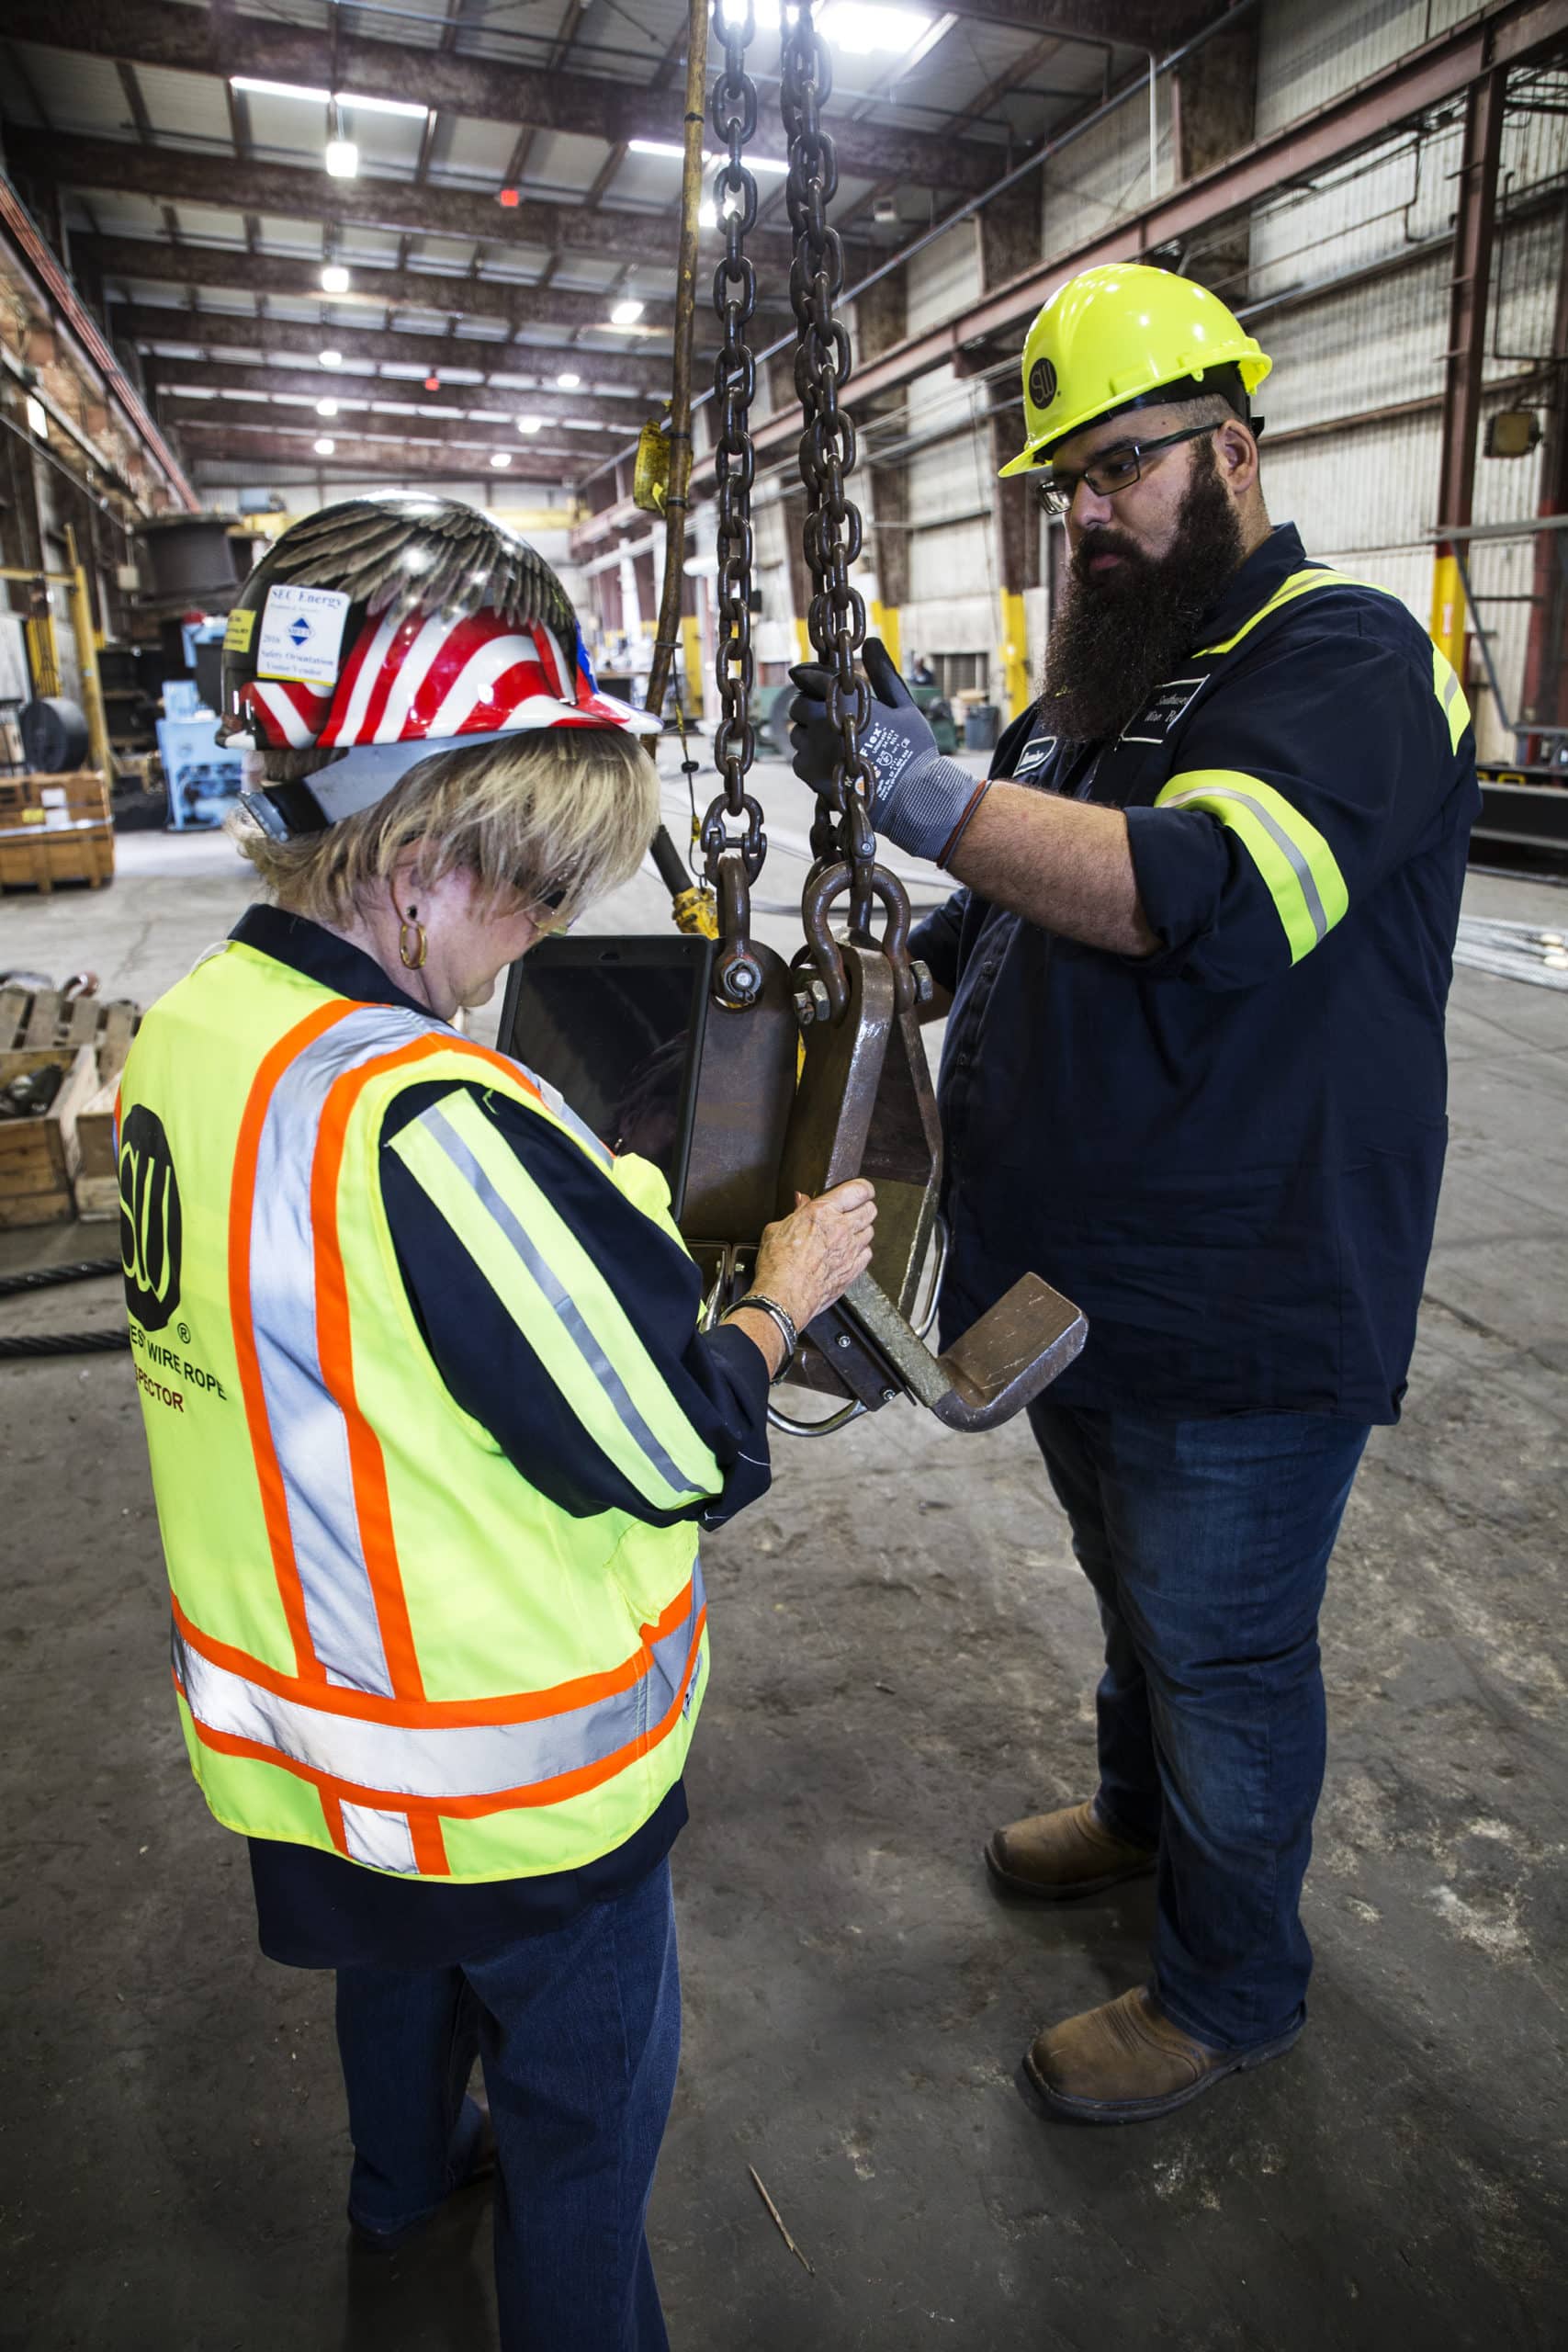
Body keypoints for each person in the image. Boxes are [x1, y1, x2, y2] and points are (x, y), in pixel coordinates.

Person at [117, 495, 875, 2345]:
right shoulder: (427, 1115)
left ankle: (396, 2188)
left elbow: (358, 1340)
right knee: (582, 2128)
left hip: (327, 1758)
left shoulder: (202, 1034)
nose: (533, 920)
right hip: (515, 1787)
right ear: (400, 840)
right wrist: (778, 1292)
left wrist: (581, 1200)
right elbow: (673, 1446)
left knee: (398, 1991)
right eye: (518, 874)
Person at [789, 265, 1478, 2125]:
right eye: (1056, 485)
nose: (1076, 511)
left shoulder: (1341, 656)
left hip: (1238, 1291)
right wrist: (882, 949)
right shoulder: (1096, 678)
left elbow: (1209, 890)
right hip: (1069, 1278)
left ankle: (1226, 1984)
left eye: (1108, 470)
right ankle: (1124, 1811)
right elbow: (991, 908)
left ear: (1229, 448)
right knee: (1129, 1590)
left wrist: (921, 795)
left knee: (1223, 1642)